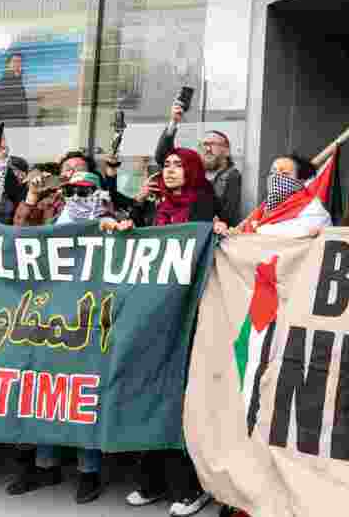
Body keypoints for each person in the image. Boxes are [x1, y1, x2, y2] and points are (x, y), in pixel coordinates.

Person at [103, 149, 214, 516]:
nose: (170, 171)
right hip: (149, 316)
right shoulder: (152, 205)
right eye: (166, 165)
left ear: (193, 171)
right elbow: (126, 232)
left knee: (177, 399)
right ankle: (151, 480)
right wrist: (122, 225)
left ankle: (189, 487)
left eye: (178, 165)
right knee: (146, 392)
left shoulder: (205, 205)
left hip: (186, 319)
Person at [5, 171, 113, 504]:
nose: (79, 195)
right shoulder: (52, 217)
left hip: (89, 317)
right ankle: (45, 466)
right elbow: (19, 237)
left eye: (86, 189)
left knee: (82, 395)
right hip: (48, 314)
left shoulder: (111, 220)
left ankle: (88, 471)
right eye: (72, 189)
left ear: (98, 191)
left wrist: (115, 224)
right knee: (43, 392)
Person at [157, 100, 242, 226]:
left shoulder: (230, 177)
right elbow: (163, 156)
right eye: (204, 145)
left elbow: (226, 217)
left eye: (213, 144)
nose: (207, 149)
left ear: (227, 150)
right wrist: (174, 122)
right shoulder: (193, 172)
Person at [0, 52, 28, 122]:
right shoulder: (1, 84)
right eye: (15, 61)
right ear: (8, 65)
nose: (18, 64)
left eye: (20, 62)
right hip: (8, 126)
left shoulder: (19, 84)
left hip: (19, 126)